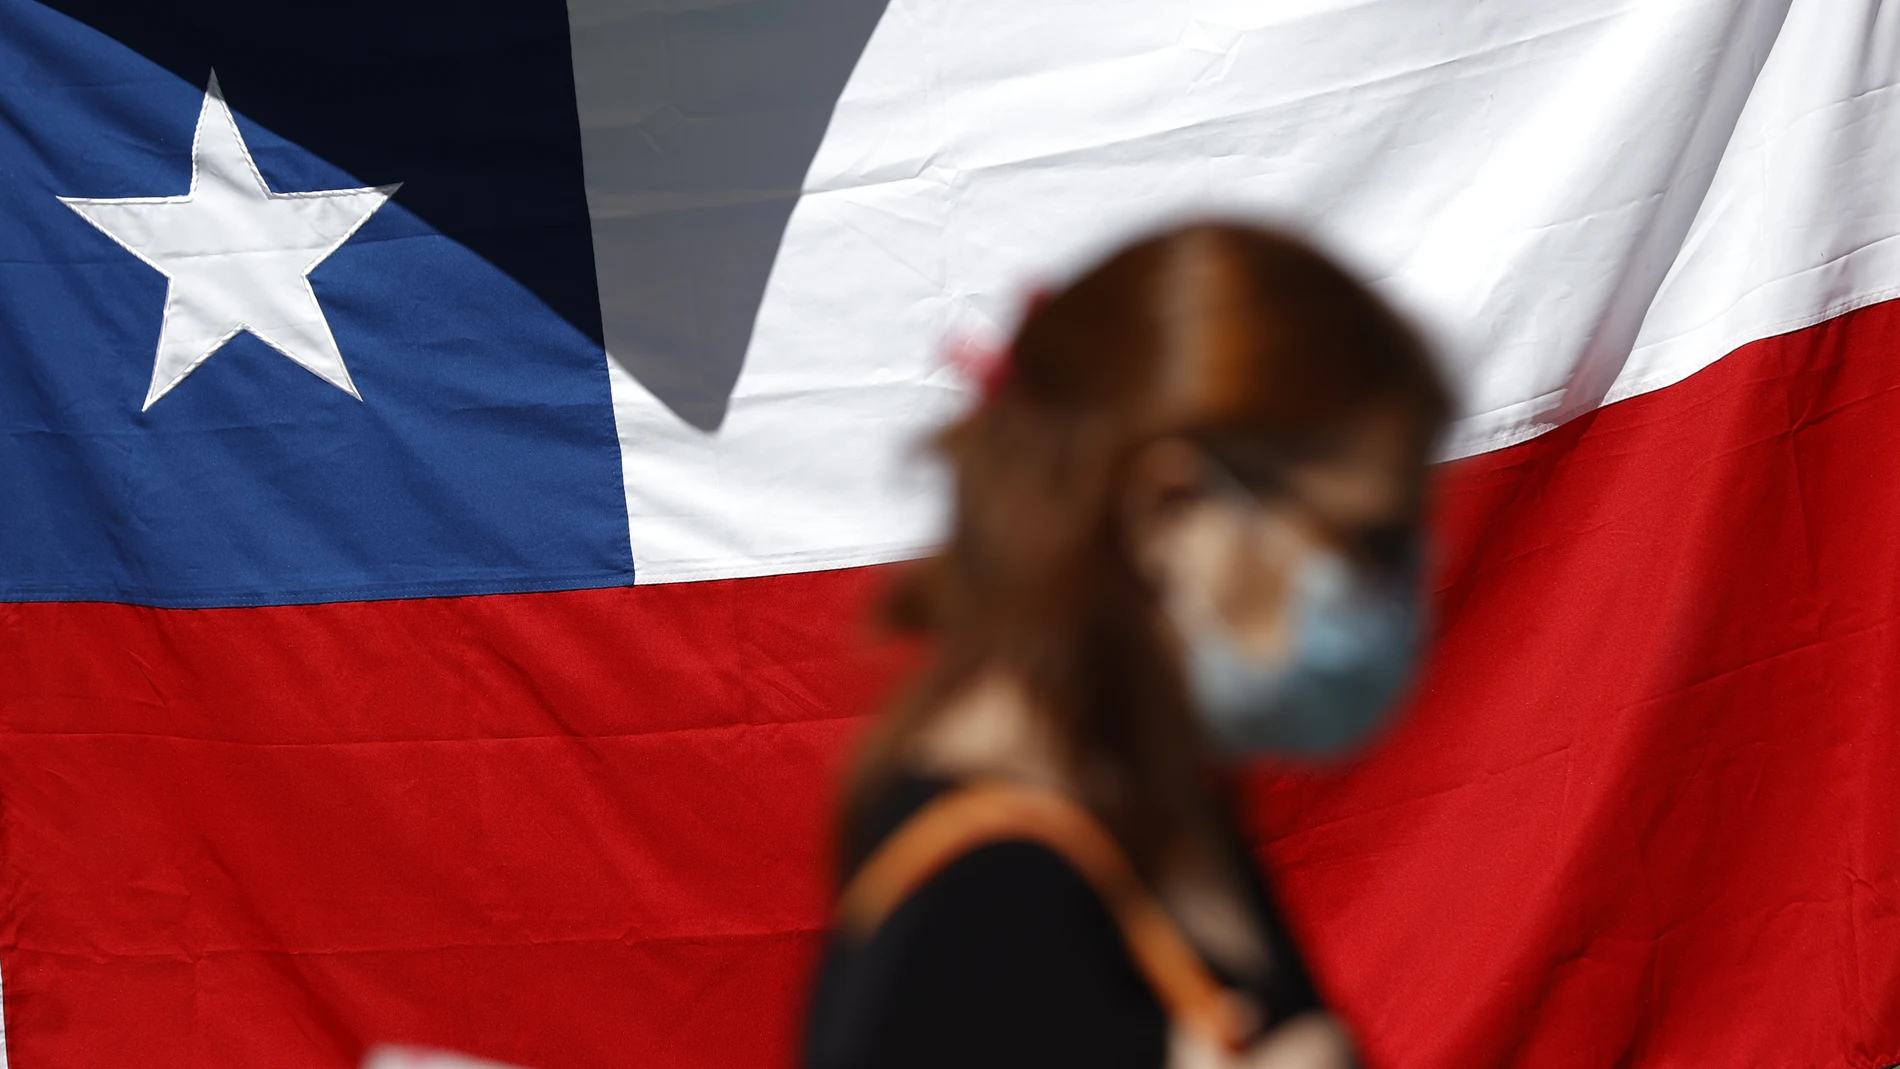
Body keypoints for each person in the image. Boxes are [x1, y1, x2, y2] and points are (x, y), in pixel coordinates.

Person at [802, 222, 1452, 1069]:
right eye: (1373, 541)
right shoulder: (986, 902)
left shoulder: (1162, 803)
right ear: (1169, 511)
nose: (1401, 593)